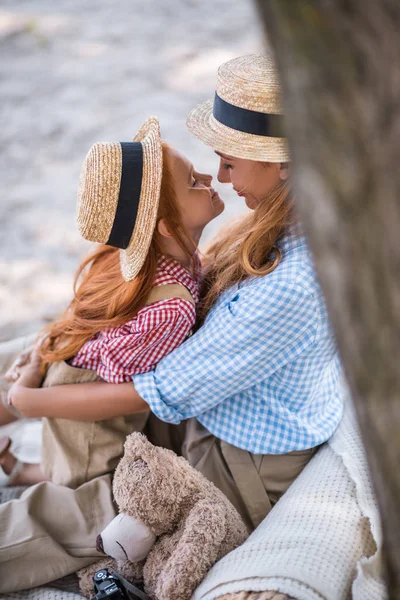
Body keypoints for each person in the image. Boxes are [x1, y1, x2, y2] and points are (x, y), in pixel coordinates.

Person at [0, 54, 343, 593]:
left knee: (81, 511)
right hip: (208, 406)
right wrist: (43, 360)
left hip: (235, 460)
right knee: (43, 347)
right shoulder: (275, 222)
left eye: (230, 161)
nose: (223, 178)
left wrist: (28, 400)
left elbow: (162, 390)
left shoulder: (292, 284)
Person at [0, 116, 224, 488]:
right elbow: (124, 392)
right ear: (166, 226)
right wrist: (33, 381)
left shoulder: (152, 261)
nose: (209, 179)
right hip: (84, 395)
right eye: (193, 182)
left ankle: (20, 470)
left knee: (65, 456)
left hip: (72, 363)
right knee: (83, 466)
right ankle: (27, 472)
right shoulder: (172, 309)